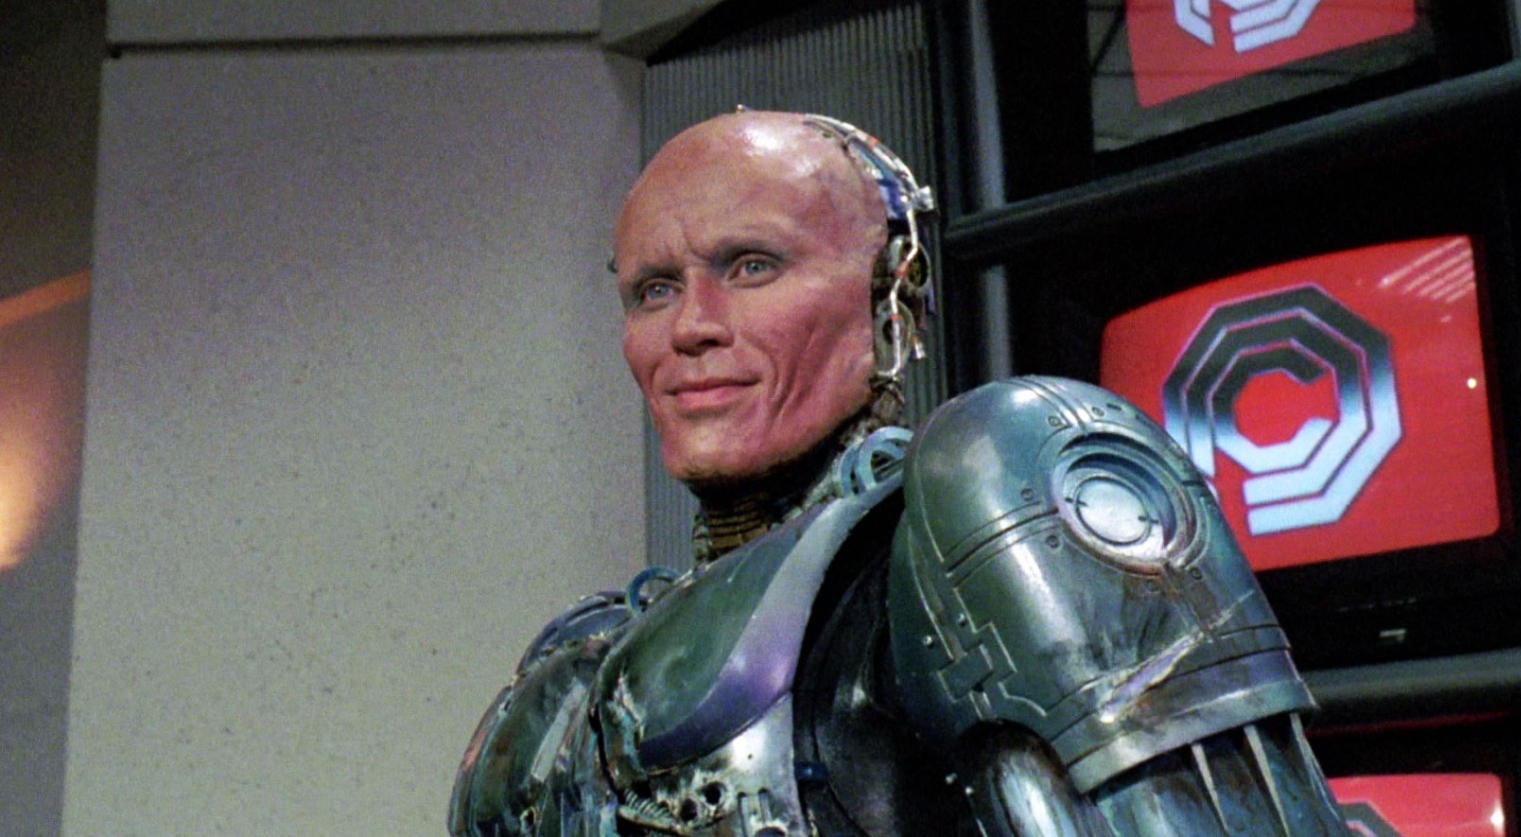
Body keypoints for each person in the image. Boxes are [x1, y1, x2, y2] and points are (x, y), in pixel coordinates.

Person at [449, 110, 1350, 836]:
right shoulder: (585, 663)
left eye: (752, 266)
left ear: (893, 291)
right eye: (654, 289)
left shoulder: (988, 499)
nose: (692, 326)